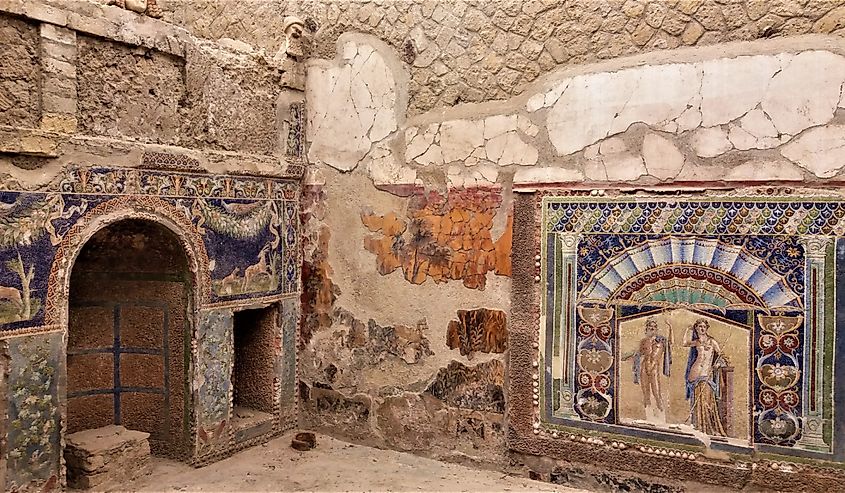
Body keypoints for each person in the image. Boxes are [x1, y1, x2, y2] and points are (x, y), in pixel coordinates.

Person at [683, 319, 727, 436]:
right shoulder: (697, 342)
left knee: (707, 402)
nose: (702, 329)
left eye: (703, 327)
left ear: (707, 328)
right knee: (697, 402)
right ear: (696, 329)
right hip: (695, 372)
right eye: (699, 327)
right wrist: (687, 329)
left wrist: (718, 364)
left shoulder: (712, 342)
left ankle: (709, 428)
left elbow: (723, 357)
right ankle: (698, 427)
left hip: (706, 373)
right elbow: (684, 343)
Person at [622, 318, 671, 411]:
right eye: (650, 326)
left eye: (654, 326)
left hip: (654, 367)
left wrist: (670, 328)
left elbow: (670, 343)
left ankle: (661, 412)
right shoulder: (644, 341)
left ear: (656, 329)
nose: (652, 328)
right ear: (647, 328)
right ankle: (647, 413)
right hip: (644, 366)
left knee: (656, 392)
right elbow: (639, 353)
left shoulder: (661, 341)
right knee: (645, 393)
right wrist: (627, 357)